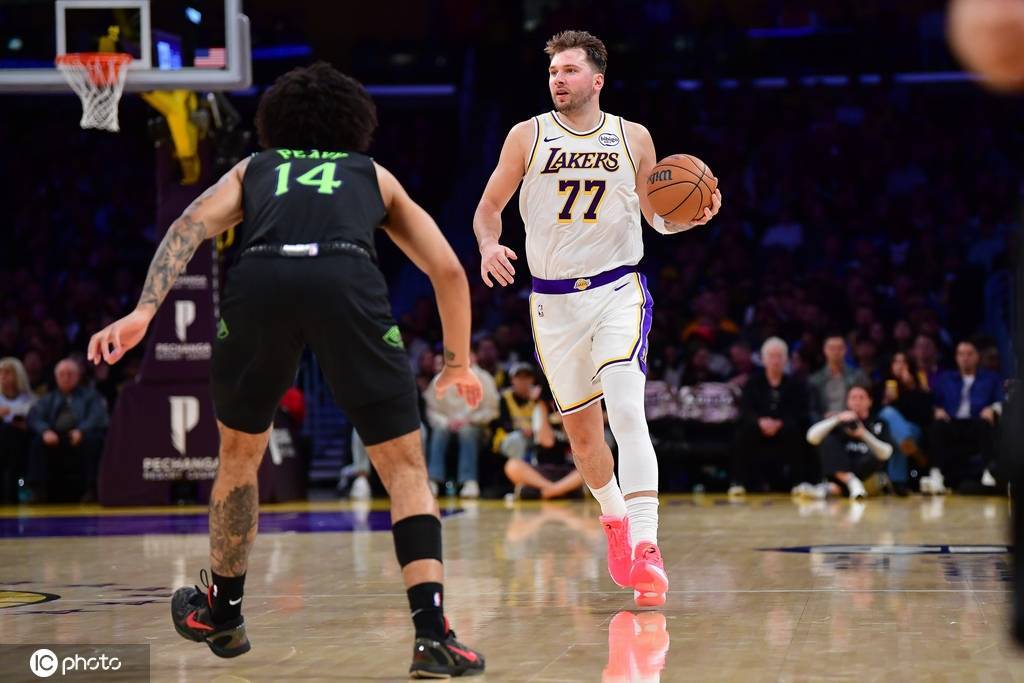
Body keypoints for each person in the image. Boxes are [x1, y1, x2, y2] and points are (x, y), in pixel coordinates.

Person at [87, 63, 485, 678]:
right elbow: (450, 270)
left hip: (262, 279)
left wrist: (144, 311)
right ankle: (432, 636)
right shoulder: (371, 173)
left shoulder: (255, 168)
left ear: (276, 123)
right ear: (354, 123)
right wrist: (457, 362)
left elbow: (187, 227)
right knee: (405, 469)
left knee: (239, 459)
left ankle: (223, 613)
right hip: (346, 276)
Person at [472, 30, 721, 607]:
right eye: (553, 72)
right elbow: (488, 207)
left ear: (597, 79)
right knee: (585, 442)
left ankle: (647, 545)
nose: (558, 80)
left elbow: (657, 216)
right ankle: (615, 519)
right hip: (552, 304)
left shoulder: (633, 137)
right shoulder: (527, 135)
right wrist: (488, 245)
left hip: (617, 291)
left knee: (628, 411)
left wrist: (688, 219)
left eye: (569, 70)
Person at [728, 337, 810, 496]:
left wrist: (780, 423)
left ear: (785, 360)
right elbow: (746, 409)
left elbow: (798, 411)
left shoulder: (795, 384)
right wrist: (760, 422)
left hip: (784, 427)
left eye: (779, 356)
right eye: (771, 356)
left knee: (795, 430)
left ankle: (798, 482)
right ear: (763, 359)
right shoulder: (753, 382)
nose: (775, 360)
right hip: (758, 427)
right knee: (742, 432)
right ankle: (738, 482)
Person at [922, 340, 1003, 494]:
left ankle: (989, 472)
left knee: (985, 425)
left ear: (977, 357)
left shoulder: (991, 378)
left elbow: (1000, 401)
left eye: (969, 354)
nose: (965, 358)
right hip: (952, 422)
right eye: (961, 354)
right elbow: (933, 402)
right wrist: (936, 410)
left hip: (977, 421)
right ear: (956, 357)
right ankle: (936, 474)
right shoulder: (946, 378)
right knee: (936, 427)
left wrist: (993, 409)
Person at [25, 358, 108, 502]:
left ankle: (92, 489)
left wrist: (81, 430)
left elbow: (98, 416)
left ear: (78, 376)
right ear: (56, 377)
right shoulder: (48, 398)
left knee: (94, 440)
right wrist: (45, 431)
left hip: (81, 435)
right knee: (37, 442)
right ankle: (37, 490)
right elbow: (34, 418)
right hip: (55, 436)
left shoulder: (91, 396)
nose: (66, 377)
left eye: (70, 374)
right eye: (62, 374)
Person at [424, 352, 500, 498]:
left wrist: (470, 419)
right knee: (439, 431)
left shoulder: (484, 378)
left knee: (467, 431)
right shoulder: (440, 378)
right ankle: (433, 479)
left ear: (474, 357)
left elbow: (492, 410)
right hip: (447, 426)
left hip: (475, 427)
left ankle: (469, 481)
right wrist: (447, 422)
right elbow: (432, 410)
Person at [806, 385, 894, 500]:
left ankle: (831, 489)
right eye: (853, 398)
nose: (857, 402)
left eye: (861, 397)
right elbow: (811, 437)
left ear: (870, 401)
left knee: (876, 456)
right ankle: (850, 482)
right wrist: (837, 418)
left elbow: (886, 453)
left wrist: (864, 434)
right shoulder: (839, 422)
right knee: (827, 440)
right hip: (843, 470)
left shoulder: (878, 423)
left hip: (866, 473)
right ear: (847, 402)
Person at [875, 351, 933, 495]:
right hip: (885, 428)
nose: (900, 366)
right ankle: (918, 456)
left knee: (898, 437)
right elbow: (875, 412)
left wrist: (911, 387)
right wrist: (887, 401)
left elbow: (925, 414)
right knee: (888, 413)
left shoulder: (919, 385)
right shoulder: (882, 385)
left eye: (904, 362)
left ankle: (897, 482)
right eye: (896, 362)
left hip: (912, 428)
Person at [807, 334, 869, 422]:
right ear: (824, 350)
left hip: (852, 421)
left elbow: (865, 403)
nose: (836, 352)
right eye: (832, 348)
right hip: (825, 423)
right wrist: (823, 419)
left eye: (839, 348)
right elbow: (812, 410)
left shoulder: (857, 376)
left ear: (845, 350)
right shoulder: (815, 380)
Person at [0, 357, 36, 503]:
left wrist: (26, 425)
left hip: (22, 442)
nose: (3, 376)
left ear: (18, 375)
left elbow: (36, 423)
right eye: (0, 372)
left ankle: (16, 489)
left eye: (7, 372)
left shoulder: (30, 400)